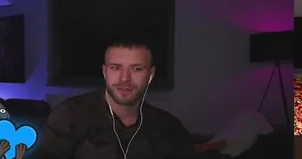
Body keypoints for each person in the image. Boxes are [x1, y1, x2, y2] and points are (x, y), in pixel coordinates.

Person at [35, 40, 195, 158]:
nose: (125, 78)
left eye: (137, 69)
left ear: (150, 75)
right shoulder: (70, 115)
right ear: (105, 72)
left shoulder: (170, 128)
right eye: (115, 68)